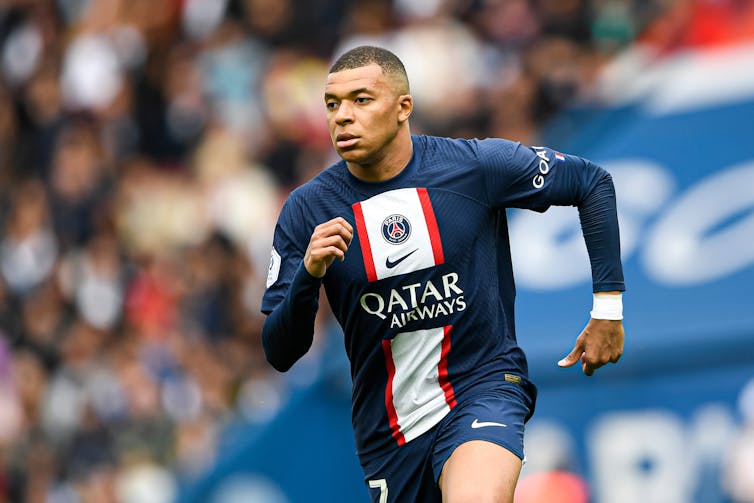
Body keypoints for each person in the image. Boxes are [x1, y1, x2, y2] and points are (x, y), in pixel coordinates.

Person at [261, 45, 625, 503]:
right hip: (390, 433)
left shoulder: (473, 167)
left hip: (485, 388)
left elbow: (591, 183)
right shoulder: (306, 210)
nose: (343, 117)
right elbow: (279, 351)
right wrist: (308, 276)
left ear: (403, 108)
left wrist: (607, 308)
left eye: (361, 100)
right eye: (332, 105)